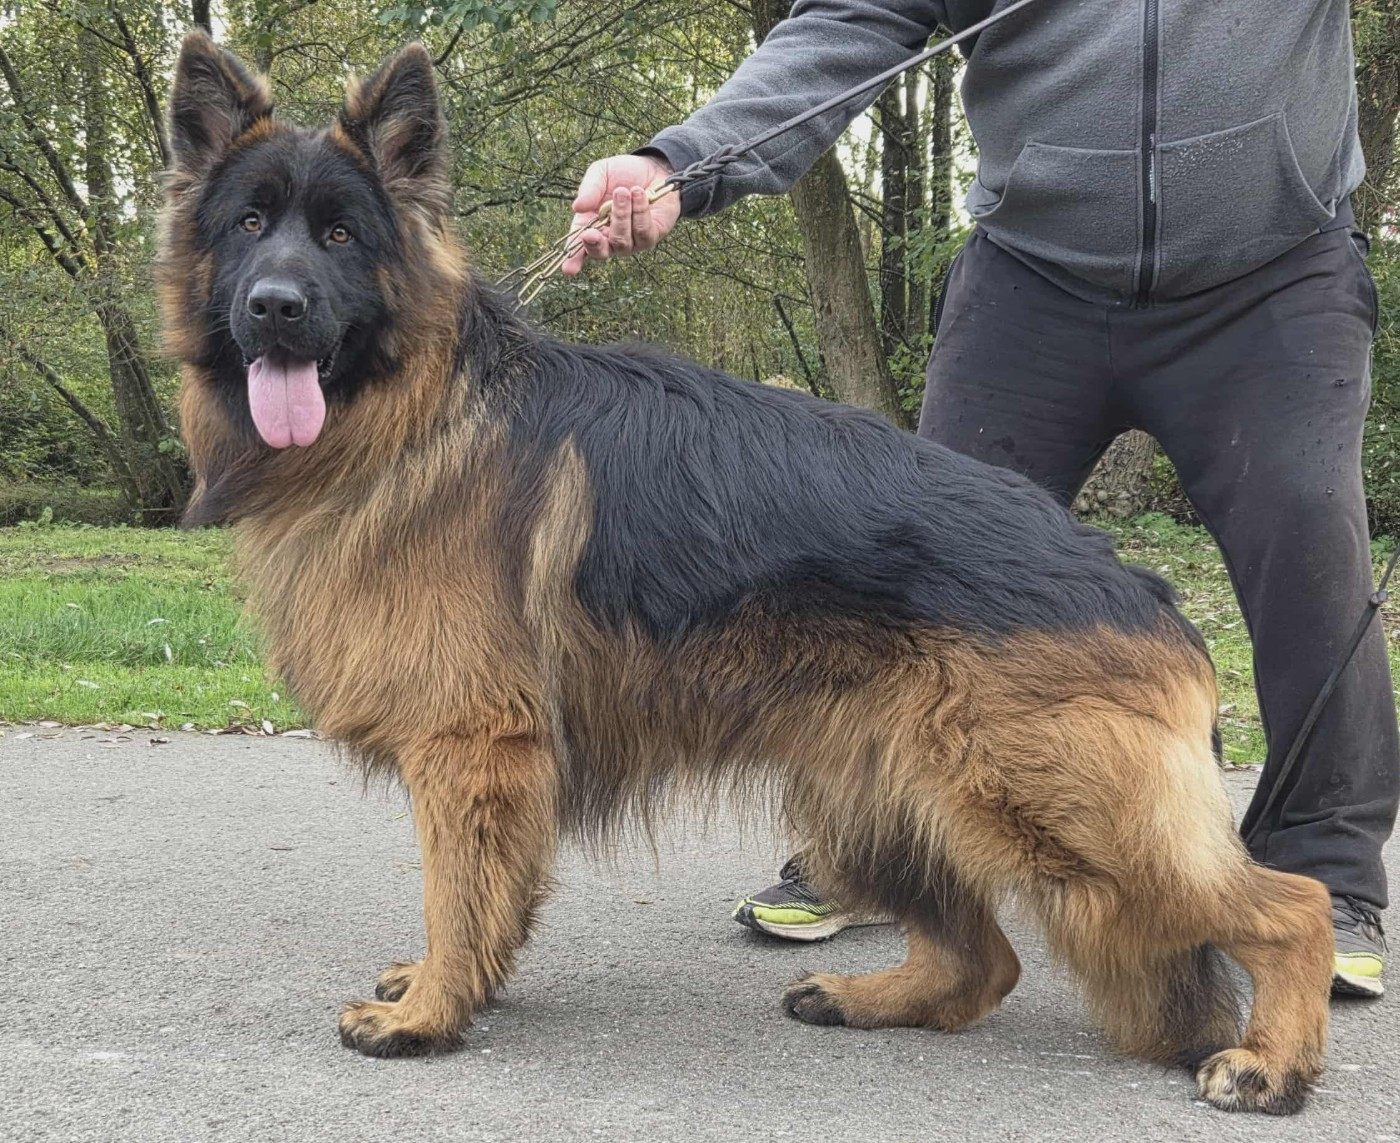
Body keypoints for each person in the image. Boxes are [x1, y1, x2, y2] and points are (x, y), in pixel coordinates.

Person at [562, 0, 1395, 998]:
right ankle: (879, 858)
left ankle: (1324, 871)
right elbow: (856, 21)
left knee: (1311, 551)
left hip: (1269, 279)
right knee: (897, 579)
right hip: (1032, 279)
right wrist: (680, 164)